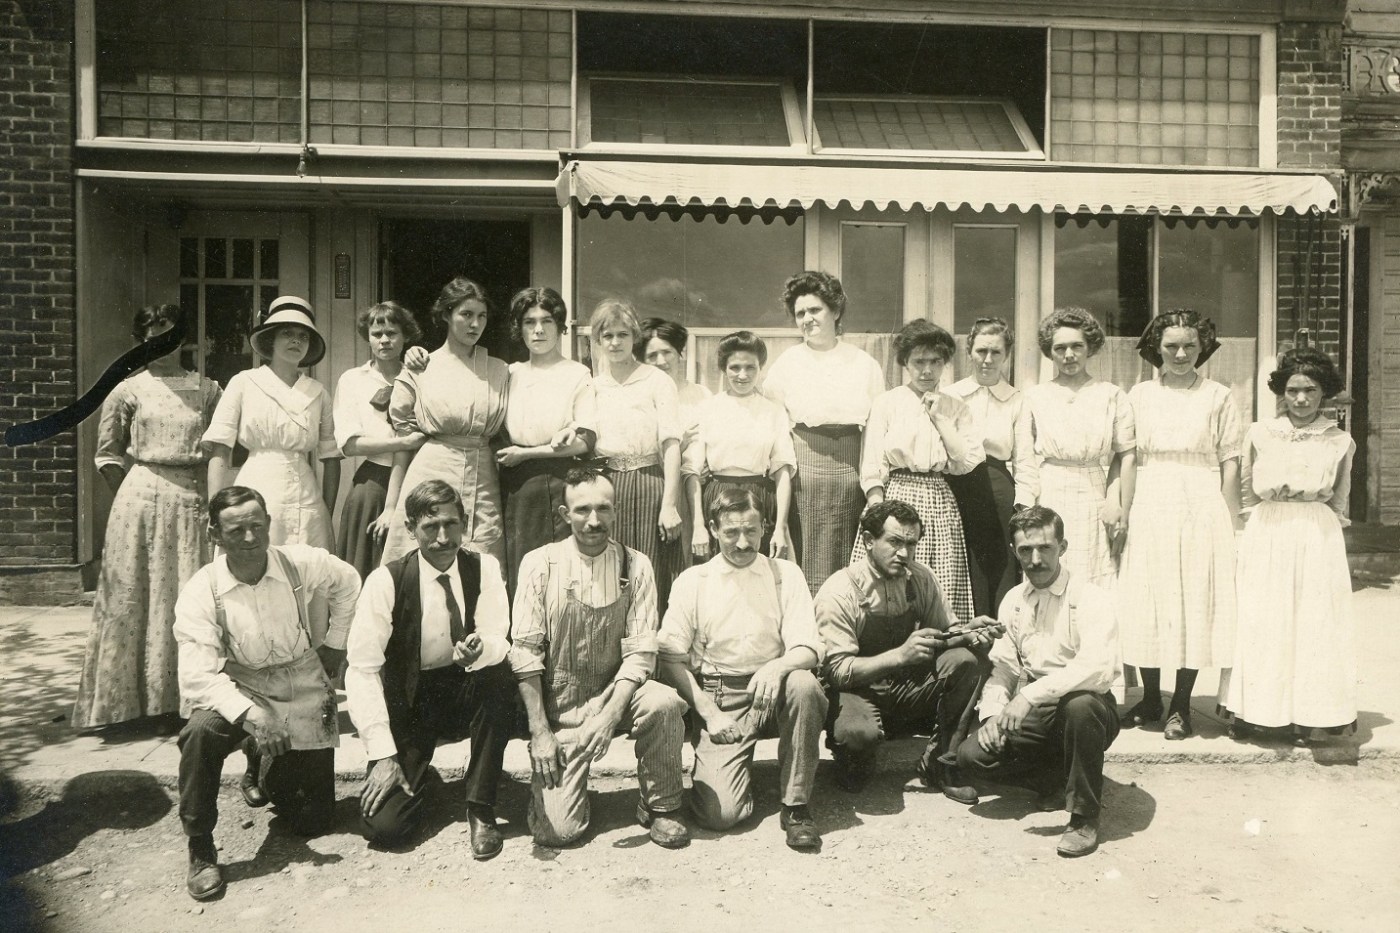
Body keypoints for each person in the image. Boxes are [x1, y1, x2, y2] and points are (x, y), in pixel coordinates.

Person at [173, 487, 361, 900]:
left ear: (269, 524)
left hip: (300, 682)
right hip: (241, 687)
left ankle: (260, 760)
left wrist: (336, 642)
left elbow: (349, 582)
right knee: (200, 732)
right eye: (236, 530)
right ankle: (200, 846)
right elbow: (196, 677)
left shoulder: (299, 561)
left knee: (312, 822)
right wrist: (254, 717)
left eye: (257, 526)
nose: (250, 538)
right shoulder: (202, 590)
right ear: (214, 534)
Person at [510, 468, 690, 849]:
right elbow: (525, 655)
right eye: (582, 510)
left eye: (603, 509)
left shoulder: (635, 565)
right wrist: (540, 732)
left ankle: (661, 805)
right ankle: (562, 792)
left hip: (616, 694)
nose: (594, 521)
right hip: (562, 708)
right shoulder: (540, 564)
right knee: (559, 832)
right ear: (565, 514)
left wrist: (609, 716)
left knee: (663, 702)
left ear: (615, 511)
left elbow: (640, 654)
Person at [346, 480, 516, 855]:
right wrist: (382, 755)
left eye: (451, 524)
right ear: (411, 529)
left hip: (464, 686)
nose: (443, 538)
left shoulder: (484, 567)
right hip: (413, 701)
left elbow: (497, 635)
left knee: (498, 675)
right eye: (430, 526)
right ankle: (424, 781)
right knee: (386, 827)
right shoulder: (386, 580)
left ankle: (480, 805)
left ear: (465, 523)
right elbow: (361, 669)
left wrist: (480, 650)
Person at [72, 305, 223, 729]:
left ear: (183, 338)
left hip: (192, 499)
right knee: (133, 597)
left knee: (185, 597)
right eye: (152, 336)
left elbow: (221, 450)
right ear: (141, 342)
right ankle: (125, 708)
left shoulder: (208, 390)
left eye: (169, 335)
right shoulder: (127, 390)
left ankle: (183, 702)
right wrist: (132, 500)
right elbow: (107, 455)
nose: (161, 344)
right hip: (139, 502)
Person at [658, 487, 828, 850]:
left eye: (751, 531)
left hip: (776, 689)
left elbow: (810, 648)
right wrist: (709, 713)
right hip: (723, 696)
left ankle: (796, 805)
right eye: (731, 532)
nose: (742, 542)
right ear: (714, 529)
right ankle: (733, 775)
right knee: (720, 815)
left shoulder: (785, 574)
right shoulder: (694, 581)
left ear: (764, 527)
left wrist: (777, 667)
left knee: (804, 684)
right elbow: (670, 657)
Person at [957, 505, 1121, 858]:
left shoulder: (1089, 597)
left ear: (1062, 547)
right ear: (1014, 552)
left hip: (1087, 706)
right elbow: (1004, 668)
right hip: (1037, 709)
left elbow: (1097, 668)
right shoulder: (1014, 600)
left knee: (1080, 705)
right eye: (1025, 550)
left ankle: (1084, 818)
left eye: (1045, 548)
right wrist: (992, 717)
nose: (1035, 560)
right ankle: (1056, 780)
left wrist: (1029, 696)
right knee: (972, 757)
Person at [1222, 348, 1357, 745]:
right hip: (1268, 528)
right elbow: (1247, 491)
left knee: (1314, 621)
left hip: (1316, 533)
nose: (1301, 399)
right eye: (1293, 390)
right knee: (1264, 619)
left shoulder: (1339, 440)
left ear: (1324, 392)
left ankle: (1308, 716)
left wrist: (1326, 533)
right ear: (1282, 391)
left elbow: (1340, 499)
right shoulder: (1260, 433)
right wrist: (1245, 533)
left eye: (1310, 390)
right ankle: (1260, 713)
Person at [1118, 310, 1242, 739]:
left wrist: (1229, 522)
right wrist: (1124, 509)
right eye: (1171, 346)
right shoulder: (1139, 395)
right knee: (1149, 597)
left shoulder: (1218, 396)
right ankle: (1151, 697)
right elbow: (1128, 458)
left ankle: (1181, 706)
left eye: (1190, 345)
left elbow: (1230, 462)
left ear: (1202, 347)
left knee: (1192, 600)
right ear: (1157, 348)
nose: (1181, 354)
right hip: (1152, 497)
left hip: (1200, 500)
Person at [816, 500, 992, 799]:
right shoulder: (839, 592)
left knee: (967, 660)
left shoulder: (920, 577)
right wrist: (900, 655)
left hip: (904, 688)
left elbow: (944, 634)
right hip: (856, 691)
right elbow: (837, 672)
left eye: (911, 544)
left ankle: (941, 764)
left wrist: (969, 632)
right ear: (868, 540)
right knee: (858, 744)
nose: (904, 553)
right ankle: (853, 754)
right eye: (895, 542)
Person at [763, 271, 887, 594]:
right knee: (806, 555)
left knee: (851, 554)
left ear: (835, 310)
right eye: (800, 313)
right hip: (804, 471)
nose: (807, 319)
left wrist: (871, 485)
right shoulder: (787, 363)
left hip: (851, 469)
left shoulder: (864, 364)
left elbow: (877, 429)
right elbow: (774, 425)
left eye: (815, 310)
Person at [855, 319, 983, 623]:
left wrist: (940, 418)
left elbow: (963, 461)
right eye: (919, 362)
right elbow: (872, 462)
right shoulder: (887, 403)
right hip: (897, 496)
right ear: (905, 363)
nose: (927, 370)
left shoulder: (956, 406)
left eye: (935, 362)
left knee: (939, 579)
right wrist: (877, 509)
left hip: (938, 499)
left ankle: (941, 641)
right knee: (891, 575)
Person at [382, 277, 509, 566]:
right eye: (466, 314)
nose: (475, 324)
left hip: (483, 475)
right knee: (425, 552)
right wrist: (391, 504)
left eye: (482, 316)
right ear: (446, 315)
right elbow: (403, 430)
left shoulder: (499, 369)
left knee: (483, 556)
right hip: (432, 469)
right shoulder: (422, 367)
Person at [204, 296, 341, 549]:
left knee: (305, 565)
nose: (296, 341)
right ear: (271, 339)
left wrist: (326, 512)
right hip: (257, 485)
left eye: (303, 336)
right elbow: (220, 448)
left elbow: (331, 456)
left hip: (306, 497)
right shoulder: (244, 382)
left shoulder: (318, 392)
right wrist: (216, 511)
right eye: (287, 333)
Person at [1015, 307, 1136, 589]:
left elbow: (1126, 454)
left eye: (1076, 346)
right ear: (1050, 352)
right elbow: (1024, 458)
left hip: (1095, 492)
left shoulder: (1111, 395)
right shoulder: (1035, 397)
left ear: (1089, 347)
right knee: (1049, 566)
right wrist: (1026, 510)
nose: (1068, 355)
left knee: (1094, 571)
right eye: (1060, 348)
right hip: (1050, 490)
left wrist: (1116, 503)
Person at [495, 287, 597, 595]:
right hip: (514, 482)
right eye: (529, 322)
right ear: (520, 328)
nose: (538, 330)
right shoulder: (509, 373)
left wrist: (528, 454)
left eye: (547, 321)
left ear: (560, 326)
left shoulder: (577, 373)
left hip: (557, 479)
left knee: (558, 570)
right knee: (518, 567)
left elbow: (584, 442)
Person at [589, 299, 686, 608]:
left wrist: (669, 504)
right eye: (607, 336)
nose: (615, 342)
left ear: (634, 337)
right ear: (598, 340)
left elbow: (671, 444)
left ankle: (651, 636)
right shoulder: (593, 386)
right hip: (607, 485)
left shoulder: (656, 380)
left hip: (649, 483)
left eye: (623, 334)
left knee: (650, 568)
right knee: (609, 569)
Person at [684, 330, 795, 562]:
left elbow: (783, 470)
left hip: (759, 497)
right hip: (717, 497)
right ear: (724, 369)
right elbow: (692, 471)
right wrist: (698, 525)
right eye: (735, 367)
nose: (742, 375)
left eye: (750, 367)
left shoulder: (773, 411)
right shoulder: (707, 408)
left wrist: (780, 528)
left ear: (760, 368)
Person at [334, 301, 426, 578]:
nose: (384, 340)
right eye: (377, 334)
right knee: (364, 568)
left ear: (405, 336)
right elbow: (350, 445)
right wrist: (401, 443)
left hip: (415, 478)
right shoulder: (353, 380)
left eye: (392, 333)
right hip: (372, 484)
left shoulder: (419, 376)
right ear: (368, 338)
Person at [945, 317, 1024, 616]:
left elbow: (1025, 459)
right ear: (969, 351)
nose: (987, 359)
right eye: (981, 351)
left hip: (998, 487)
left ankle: (1000, 635)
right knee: (961, 562)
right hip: (956, 486)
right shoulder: (951, 395)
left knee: (1000, 564)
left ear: (1007, 355)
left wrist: (1023, 504)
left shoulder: (1017, 400)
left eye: (996, 352)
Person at [640, 317, 713, 567]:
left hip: (697, 492)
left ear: (680, 353)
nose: (661, 361)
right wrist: (679, 447)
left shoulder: (701, 394)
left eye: (667, 352)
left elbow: (710, 442)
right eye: (652, 355)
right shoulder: (642, 397)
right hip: (656, 489)